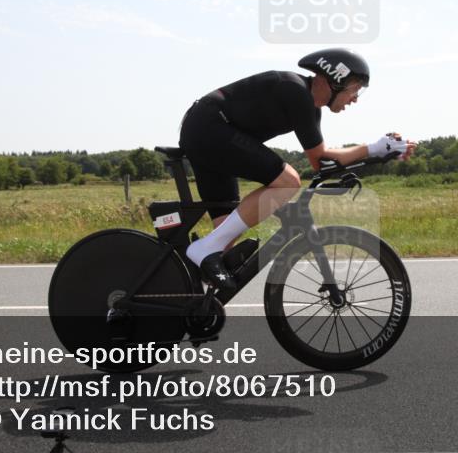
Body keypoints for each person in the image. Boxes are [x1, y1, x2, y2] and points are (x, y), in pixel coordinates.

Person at [177, 48, 415, 291]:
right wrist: (374, 148)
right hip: (210, 128)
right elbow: (321, 157)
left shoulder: (309, 106)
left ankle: (190, 302)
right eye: (354, 89)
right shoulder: (295, 91)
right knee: (288, 181)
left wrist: (382, 152)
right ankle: (202, 250)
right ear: (335, 79)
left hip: (207, 131)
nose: (355, 98)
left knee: (224, 238)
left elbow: (319, 163)